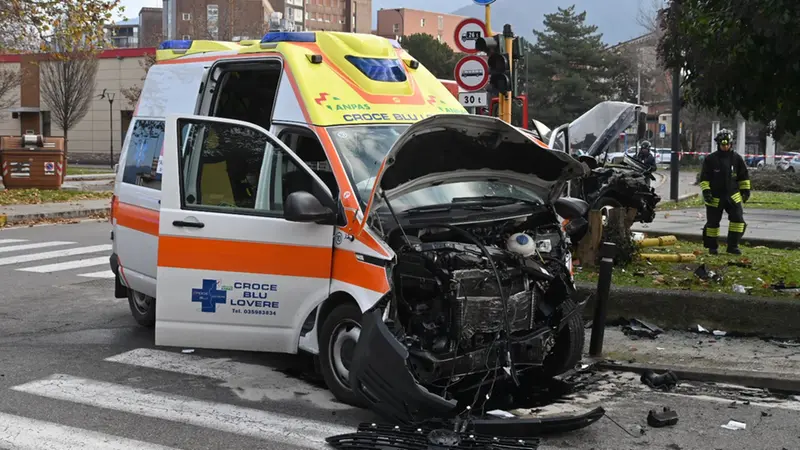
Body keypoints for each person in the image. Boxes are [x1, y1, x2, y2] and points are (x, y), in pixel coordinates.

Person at [699, 129, 751, 255]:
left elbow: (743, 176)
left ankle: (733, 246)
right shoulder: (710, 159)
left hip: (733, 196)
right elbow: (704, 178)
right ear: (718, 144)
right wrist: (707, 192)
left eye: (727, 144)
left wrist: (745, 191)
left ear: (731, 143)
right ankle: (712, 247)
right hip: (714, 197)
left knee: (738, 220)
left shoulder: (737, 159)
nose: (725, 146)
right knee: (712, 224)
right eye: (723, 144)